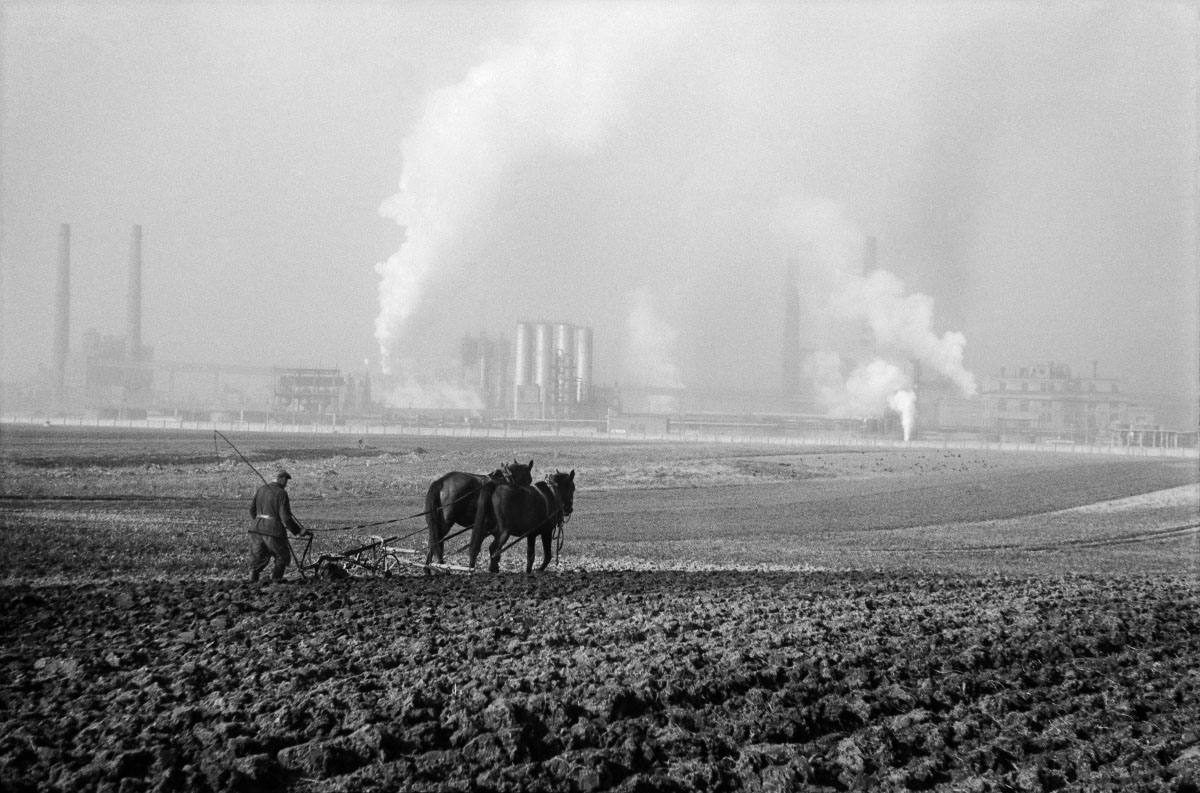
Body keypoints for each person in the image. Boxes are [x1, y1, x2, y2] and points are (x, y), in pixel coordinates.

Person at [248, 469, 310, 583]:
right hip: (273, 531)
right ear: (281, 479)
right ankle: (276, 582)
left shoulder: (261, 489)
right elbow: (285, 517)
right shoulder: (281, 493)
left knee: (256, 560)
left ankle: (252, 585)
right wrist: (298, 531)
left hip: (256, 529)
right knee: (282, 556)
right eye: (286, 481)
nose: (286, 484)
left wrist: (261, 523)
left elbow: (252, 510)